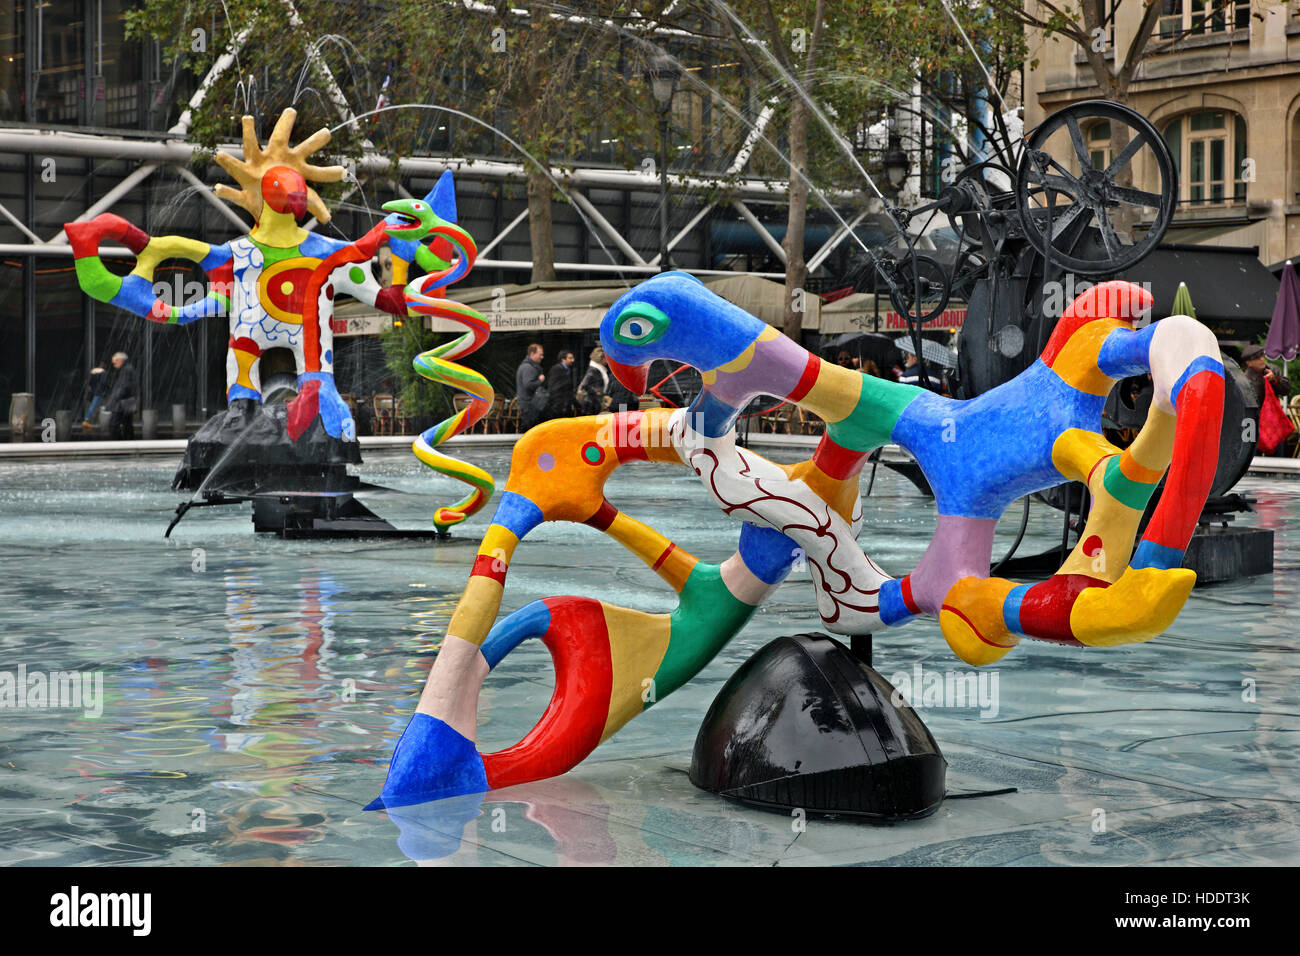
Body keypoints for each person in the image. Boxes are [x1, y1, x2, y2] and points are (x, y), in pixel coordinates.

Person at [105, 351, 138, 440]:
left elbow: (124, 386)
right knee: (127, 424)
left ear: (120, 360)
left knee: (113, 424)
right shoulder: (127, 368)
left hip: (122, 402)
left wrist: (116, 397)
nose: (114, 365)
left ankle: (118, 444)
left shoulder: (126, 369)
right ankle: (127, 443)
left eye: (115, 363)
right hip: (127, 401)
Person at [515, 343, 547, 431]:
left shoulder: (526, 366)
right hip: (529, 405)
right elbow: (528, 385)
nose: (542, 357)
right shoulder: (528, 368)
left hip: (528, 404)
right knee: (530, 429)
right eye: (540, 354)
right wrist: (540, 380)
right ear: (532, 354)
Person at [577, 347, 610, 415]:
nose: (607, 361)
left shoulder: (600, 369)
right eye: (606, 359)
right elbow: (584, 385)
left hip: (595, 403)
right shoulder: (593, 370)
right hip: (590, 404)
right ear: (601, 359)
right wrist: (597, 392)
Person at [545, 350, 577, 420]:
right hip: (559, 406)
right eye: (570, 358)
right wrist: (560, 405)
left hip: (563, 405)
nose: (572, 360)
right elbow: (555, 388)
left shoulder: (567, 370)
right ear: (563, 359)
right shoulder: (556, 370)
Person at [81, 361, 110, 429]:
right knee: (93, 406)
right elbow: (104, 382)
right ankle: (86, 420)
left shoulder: (93, 372)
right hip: (99, 392)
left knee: (103, 406)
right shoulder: (103, 372)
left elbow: (90, 382)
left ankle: (105, 421)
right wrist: (107, 388)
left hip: (94, 391)